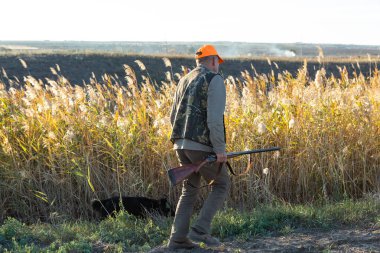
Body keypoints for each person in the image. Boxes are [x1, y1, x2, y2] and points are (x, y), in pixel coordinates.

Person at [167, 44, 231, 249]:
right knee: (221, 184)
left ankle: (177, 239)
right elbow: (214, 119)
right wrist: (220, 149)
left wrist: (182, 142)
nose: (218, 66)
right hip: (201, 145)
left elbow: (172, 116)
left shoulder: (184, 80)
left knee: (190, 189)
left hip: (180, 144)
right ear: (212, 60)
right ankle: (200, 229)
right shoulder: (214, 79)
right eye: (217, 62)